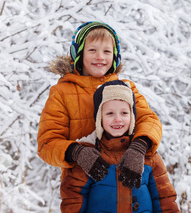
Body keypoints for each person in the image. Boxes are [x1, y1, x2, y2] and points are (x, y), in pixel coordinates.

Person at [37, 21, 163, 211]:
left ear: (114, 56)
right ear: (78, 53)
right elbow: (47, 143)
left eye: (107, 51)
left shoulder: (125, 88)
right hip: (84, 189)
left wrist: (139, 146)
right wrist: (77, 152)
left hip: (128, 184)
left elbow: (149, 120)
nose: (100, 57)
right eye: (92, 50)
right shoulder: (61, 93)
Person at [61, 80, 179, 212]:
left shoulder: (148, 156)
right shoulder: (88, 157)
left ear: (132, 116)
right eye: (110, 113)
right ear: (99, 118)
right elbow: (72, 199)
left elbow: (165, 198)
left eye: (124, 113)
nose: (118, 119)